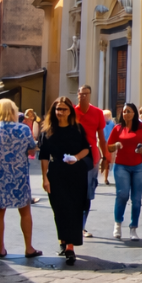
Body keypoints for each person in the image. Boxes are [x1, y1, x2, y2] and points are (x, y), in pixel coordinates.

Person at [0, 99, 40, 259]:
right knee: (25, 211)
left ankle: (1, 248)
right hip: (19, 174)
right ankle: (28, 247)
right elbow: (32, 150)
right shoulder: (24, 129)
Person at [38, 97, 93, 266]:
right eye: (57, 109)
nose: (60, 112)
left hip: (76, 173)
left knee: (75, 209)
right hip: (56, 173)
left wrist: (76, 158)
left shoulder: (77, 129)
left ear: (70, 111)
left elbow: (86, 149)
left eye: (63, 109)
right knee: (60, 209)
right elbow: (44, 156)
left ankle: (70, 247)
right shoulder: (47, 131)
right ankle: (63, 240)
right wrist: (44, 177)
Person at [108, 103, 142, 240]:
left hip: (138, 166)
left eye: (128, 111)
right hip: (121, 166)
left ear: (134, 114)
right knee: (122, 195)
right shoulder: (117, 128)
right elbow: (109, 147)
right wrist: (115, 145)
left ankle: (133, 228)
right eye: (124, 111)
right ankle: (118, 224)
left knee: (137, 199)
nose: (125, 113)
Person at [73, 85, 108, 238]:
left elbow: (101, 137)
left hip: (92, 157)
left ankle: (82, 226)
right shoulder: (72, 112)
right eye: (81, 94)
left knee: (87, 193)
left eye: (86, 94)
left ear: (90, 95)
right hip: (74, 156)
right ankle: (73, 225)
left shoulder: (98, 113)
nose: (84, 97)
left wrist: (105, 156)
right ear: (78, 95)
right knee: (75, 192)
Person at [101, 109, 116, 185]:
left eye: (107, 115)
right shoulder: (101, 123)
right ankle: (103, 176)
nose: (106, 117)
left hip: (110, 143)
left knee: (109, 161)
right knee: (104, 160)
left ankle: (106, 178)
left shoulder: (112, 123)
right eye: (104, 115)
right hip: (102, 143)